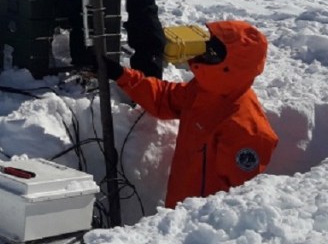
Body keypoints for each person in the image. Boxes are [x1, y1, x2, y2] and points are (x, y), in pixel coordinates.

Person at [102, 20, 278, 209]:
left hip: (201, 229)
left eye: (212, 50)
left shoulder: (247, 130)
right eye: (208, 43)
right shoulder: (207, 90)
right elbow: (165, 98)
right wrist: (120, 74)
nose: (203, 51)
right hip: (176, 215)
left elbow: (239, 205)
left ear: (229, 64)